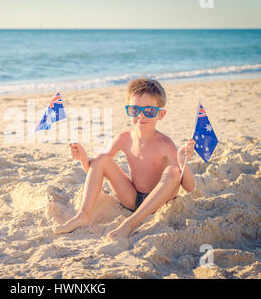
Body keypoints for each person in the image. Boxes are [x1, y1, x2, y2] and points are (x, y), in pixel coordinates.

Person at [54, 78, 196, 239]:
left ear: (160, 114)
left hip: (159, 202)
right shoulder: (123, 138)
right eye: (135, 110)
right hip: (133, 198)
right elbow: (96, 171)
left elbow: (189, 187)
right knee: (101, 158)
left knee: (173, 171)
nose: (141, 116)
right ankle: (83, 215)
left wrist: (184, 163)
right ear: (128, 110)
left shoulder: (166, 144)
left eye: (149, 111)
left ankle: (130, 223)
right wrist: (84, 158)